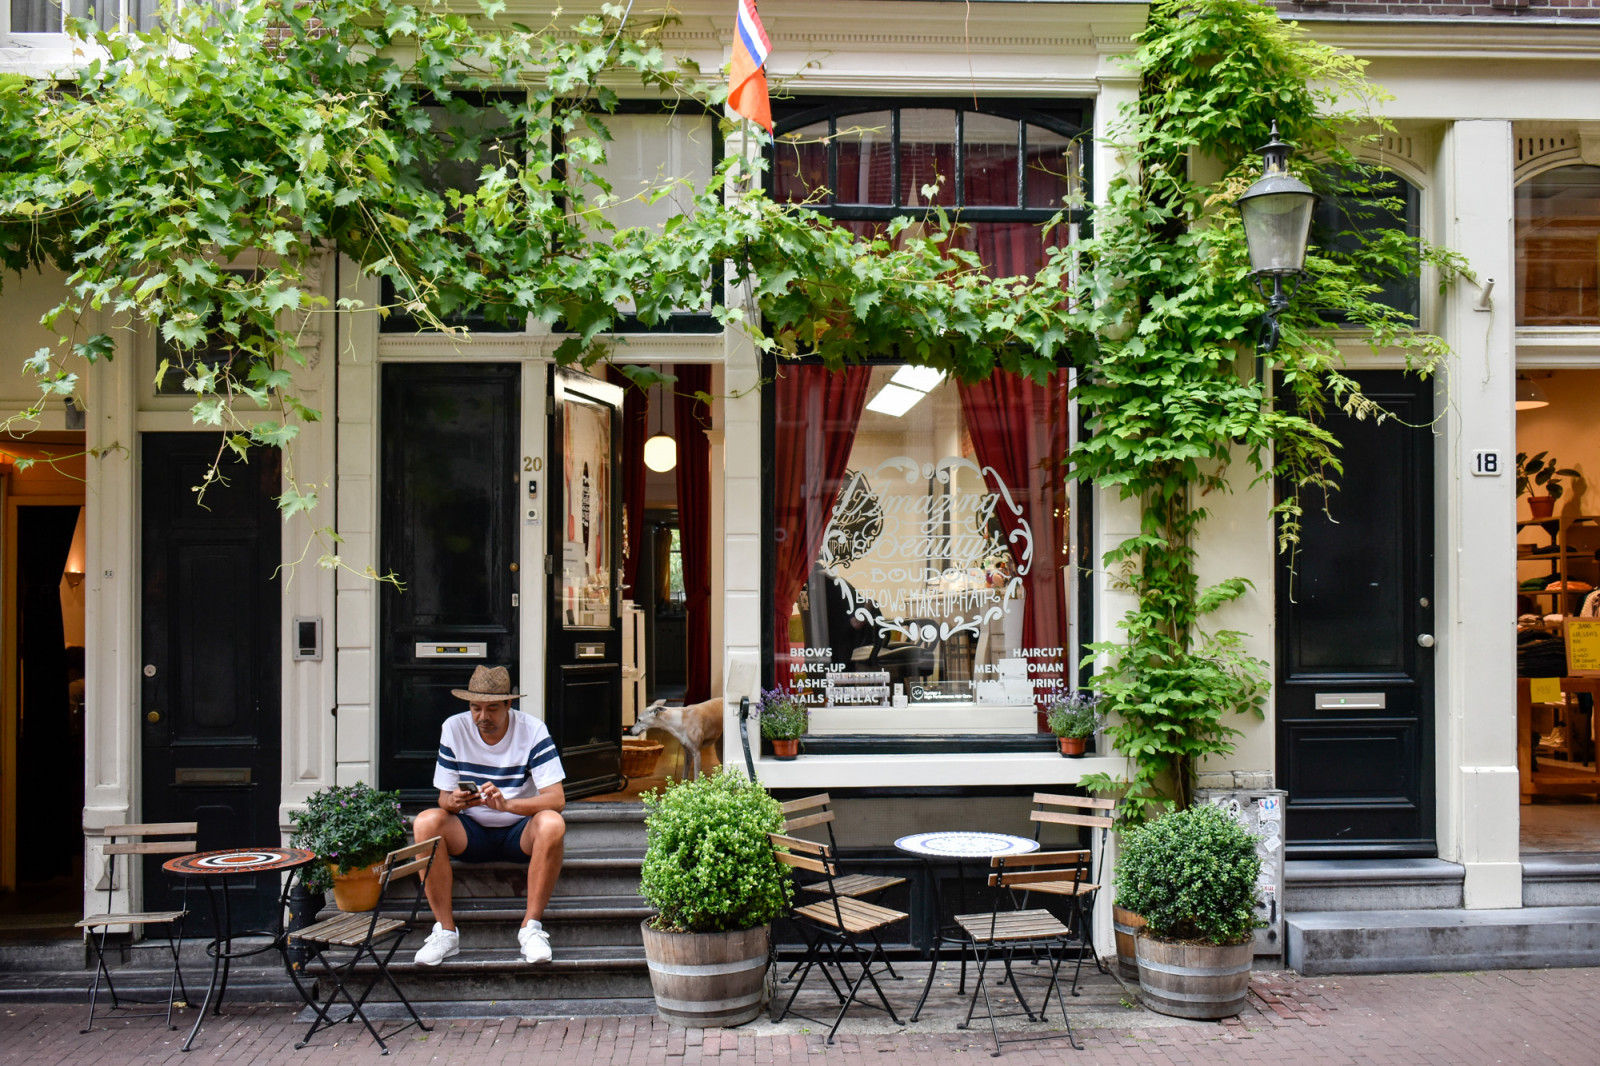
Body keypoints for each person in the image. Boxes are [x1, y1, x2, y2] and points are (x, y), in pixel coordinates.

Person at [411, 665, 566, 966]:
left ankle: (531, 929)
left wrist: (507, 805)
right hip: (470, 831)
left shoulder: (533, 730)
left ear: (509, 704)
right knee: (426, 821)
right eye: (475, 708)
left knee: (552, 823)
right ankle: (445, 932)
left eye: (492, 708)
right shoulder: (453, 728)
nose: (483, 717)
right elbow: (443, 798)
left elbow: (556, 799)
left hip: (519, 832)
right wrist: (455, 802)